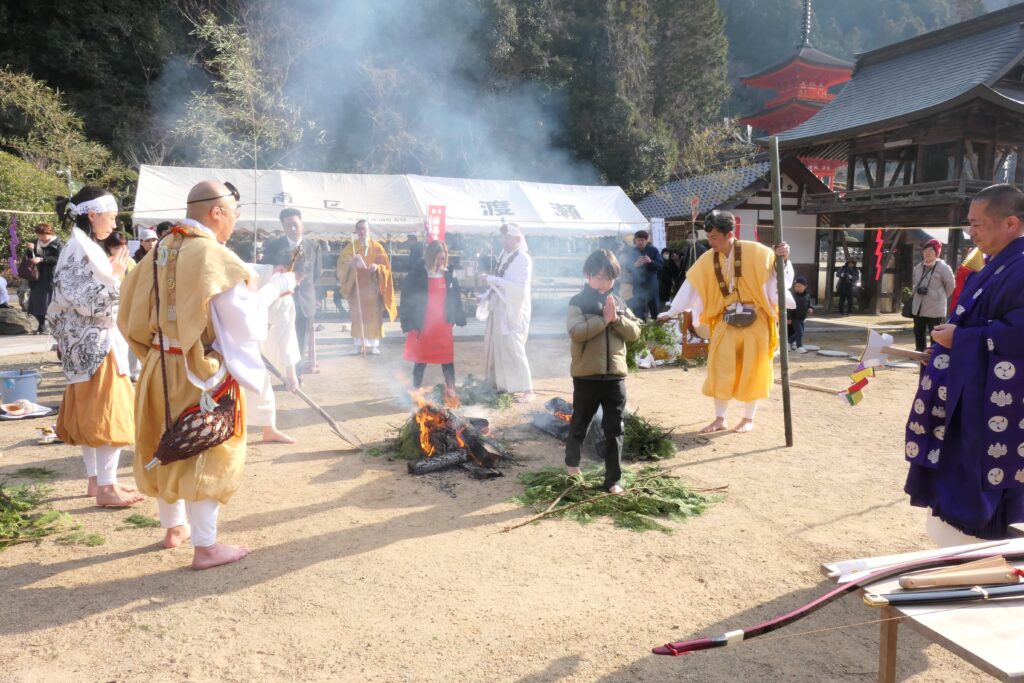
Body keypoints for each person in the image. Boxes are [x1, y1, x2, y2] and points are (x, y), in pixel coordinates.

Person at [119, 180, 295, 569]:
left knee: (166, 444)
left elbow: (127, 313)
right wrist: (277, 288)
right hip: (198, 370)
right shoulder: (213, 256)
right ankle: (207, 546)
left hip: (157, 365)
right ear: (217, 212)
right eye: (233, 212)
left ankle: (174, 527)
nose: (234, 221)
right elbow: (247, 324)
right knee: (206, 448)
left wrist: (153, 352)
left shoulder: (158, 248)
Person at [903, 183, 1024, 544]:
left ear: (1010, 223)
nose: (971, 233)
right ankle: (957, 528)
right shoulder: (995, 265)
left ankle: (983, 536)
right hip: (970, 384)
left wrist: (961, 341)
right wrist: (945, 350)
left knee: (985, 465)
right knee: (956, 456)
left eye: (977, 225)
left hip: (997, 397)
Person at [47, 186, 143, 507]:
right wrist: (116, 274)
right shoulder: (78, 248)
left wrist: (113, 271)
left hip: (87, 343)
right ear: (92, 214)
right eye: (111, 217)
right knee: (106, 414)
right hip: (94, 345)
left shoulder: (84, 245)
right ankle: (106, 486)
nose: (115, 225)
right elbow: (87, 300)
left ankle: (95, 482)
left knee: (92, 414)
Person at [659, 210, 792, 434]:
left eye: (714, 238)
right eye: (709, 237)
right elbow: (690, 286)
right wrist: (671, 311)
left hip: (756, 319)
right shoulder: (707, 258)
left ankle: (748, 418)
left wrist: (783, 259)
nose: (710, 242)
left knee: (754, 368)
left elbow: (779, 278)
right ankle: (720, 418)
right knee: (719, 367)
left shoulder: (759, 252)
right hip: (725, 319)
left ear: (730, 234)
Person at [565, 249, 641, 494]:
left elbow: (635, 333)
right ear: (587, 275)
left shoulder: (619, 302)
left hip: (615, 376)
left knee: (614, 428)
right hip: (586, 376)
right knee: (580, 423)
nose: (603, 282)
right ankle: (572, 466)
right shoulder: (577, 301)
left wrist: (617, 319)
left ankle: (612, 480)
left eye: (608, 277)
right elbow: (576, 331)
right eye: (598, 277)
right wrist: (603, 320)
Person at [400, 240, 466, 405]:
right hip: (423, 323)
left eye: (442, 259)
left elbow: (455, 296)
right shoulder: (419, 272)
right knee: (420, 359)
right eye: (437, 259)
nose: (440, 262)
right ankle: (415, 389)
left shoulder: (448, 272)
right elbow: (406, 296)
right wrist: (407, 322)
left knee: (447, 357)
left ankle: (451, 388)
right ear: (430, 257)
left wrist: (457, 317)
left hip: (442, 323)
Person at [262, 208, 323, 371]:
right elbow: (267, 270)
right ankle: (281, 370)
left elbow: (317, 273)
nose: (293, 229)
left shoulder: (313, 246)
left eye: (295, 224)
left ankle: (297, 373)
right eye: (288, 226)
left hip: (305, 301)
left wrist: (311, 293)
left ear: (302, 223)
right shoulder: (274, 246)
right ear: (283, 227)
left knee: (300, 339)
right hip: (281, 300)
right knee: (281, 337)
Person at [246, 263, 301, 444]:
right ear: (281, 271)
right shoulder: (246, 272)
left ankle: (269, 428)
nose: (296, 286)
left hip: (251, 341)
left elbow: (287, 334)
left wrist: (291, 374)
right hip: (223, 338)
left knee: (261, 380)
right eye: (297, 280)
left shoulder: (285, 297)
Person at [482, 223, 534, 401]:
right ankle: (503, 385)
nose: (502, 241)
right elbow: (499, 281)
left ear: (517, 239)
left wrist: (492, 279)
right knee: (498, 345)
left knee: (514, 347)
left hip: (514, 309)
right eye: (502, 237)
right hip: (500, 307)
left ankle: (528, 390)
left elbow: (519, 289)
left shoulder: (524, 259)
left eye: (506, 238)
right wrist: (484, 295)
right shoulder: (504, 254)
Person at [336, 219, 397, 355]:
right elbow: (341, 266)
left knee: (374, 317)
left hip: (373, 289)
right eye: (359, 229)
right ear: (356, 231)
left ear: (369, 230)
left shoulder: (377, 247)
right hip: (357, 288)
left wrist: (377, 267)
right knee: (357, 317)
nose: (362, 231)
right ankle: (358, 345)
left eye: (364, 228)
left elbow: (387, 268)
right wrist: (352, 263)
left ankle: (373, 345)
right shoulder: (350, 247)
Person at [909, 239, 955, 352]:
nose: (927, 253)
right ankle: (919, 351)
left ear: (937, 252)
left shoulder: (944, 268)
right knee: (918, 330)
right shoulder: (918, 267)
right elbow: (914, 283)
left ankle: (934, 352)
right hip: (919, 306)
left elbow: (951, 286)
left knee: (935, 333)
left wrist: (940, 296)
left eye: (931, 250)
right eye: (925, 250)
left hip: (935, 307)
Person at [26, 222, 62, 333]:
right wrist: (30, 251)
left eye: (45, 238)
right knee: (37, 301)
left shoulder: (58, 243)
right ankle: (39, 325)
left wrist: (42, 259)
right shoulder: (34, 242)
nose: (42, 239)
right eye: (40, 237)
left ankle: (52, 325)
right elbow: (29, 258)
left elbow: (59, 258)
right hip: (37, 276)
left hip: (51, 275)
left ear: (50, 234)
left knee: (50, 300)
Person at [625, 230, 664, 320]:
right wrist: (635, 265)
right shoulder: (632, 252)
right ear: (635, 241)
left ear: (646, 241)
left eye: (642, 240)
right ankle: (640, 328)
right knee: (638, 310)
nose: (640, 242)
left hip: (651, 285)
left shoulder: (653, 250)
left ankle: (657, 328)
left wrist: (651, 261)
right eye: (638, 240)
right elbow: (627, 267)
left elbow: (661, 265)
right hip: (638, 285)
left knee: (655, 309)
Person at [788, 276, 813, 353]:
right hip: (794, 317)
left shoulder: (807, 295)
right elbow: (788, 308)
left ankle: (787, 343)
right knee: (800, 332)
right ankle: (799, 346)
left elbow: (809, 304)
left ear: (805, 286)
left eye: (800, 286)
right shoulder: (792, 296)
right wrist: (788, 318)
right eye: (796, 286)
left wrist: (810, 308)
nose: (797, 288)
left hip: (802, 318)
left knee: (800, 333)